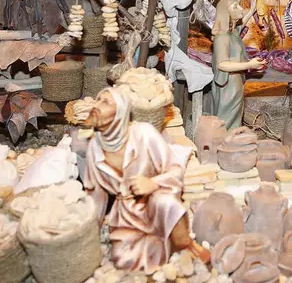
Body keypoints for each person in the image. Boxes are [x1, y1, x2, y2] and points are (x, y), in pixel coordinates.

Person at [83, 87, 209, 273]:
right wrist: (88, 233)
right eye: (98, 99)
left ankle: (184, 244)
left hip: (154, 203)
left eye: (106, 102)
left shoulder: (143, 133)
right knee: (124, 261)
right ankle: (162, 252)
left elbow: (175, 170)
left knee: (166, 203)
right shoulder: (95, 147)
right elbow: (96, 194)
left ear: (120, 112)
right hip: (126, 214)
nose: (97, 105)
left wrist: (153, 183)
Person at [211, 0, 266, 129]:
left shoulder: (233, 33)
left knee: (235, 119)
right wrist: (249, 65)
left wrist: (252, 9)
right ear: (226, 13)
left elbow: (241, 25)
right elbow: (221, 64)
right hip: (227, 85)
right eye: (235, 7)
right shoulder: (222, 38)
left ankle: (234, 139)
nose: (240, 8)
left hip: (236, 82)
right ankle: (223, 140)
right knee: (226, 120)